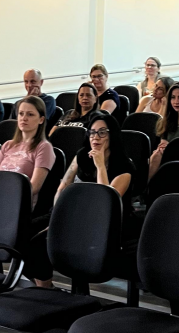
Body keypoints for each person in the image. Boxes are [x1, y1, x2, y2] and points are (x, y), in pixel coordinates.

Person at [28, 114, 134, 288]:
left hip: (102, 223)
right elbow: (63, 187)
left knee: (39, 244)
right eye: (92, 132)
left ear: (112, 135)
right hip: (73, 214)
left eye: (102, 132)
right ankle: (45, 287)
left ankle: (46, 290)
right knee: (25, 233)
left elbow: (104, 204)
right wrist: (57, 216)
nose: (95, 137)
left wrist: (100, 165)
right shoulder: (82, 156)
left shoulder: (124, 167)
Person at [0, 96, 56, 210]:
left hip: (19, 204)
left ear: (41, 120)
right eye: (21, 114)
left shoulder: (44, 147)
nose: (24, 118)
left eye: (30, 114)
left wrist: (5, 197)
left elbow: (34, 187)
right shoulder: (7, 145)